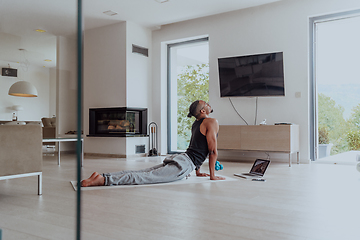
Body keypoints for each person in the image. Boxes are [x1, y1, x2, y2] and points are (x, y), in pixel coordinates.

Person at [81, 100, 225, 187]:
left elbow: (197, 146)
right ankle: (103, 180)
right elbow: (212, 151)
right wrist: (212, 176)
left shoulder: (197, 123)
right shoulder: (212, 121)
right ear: (203, 110)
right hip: (185, 163)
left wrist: (198, 171)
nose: (208, 103)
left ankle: (102, 176)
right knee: (146, 177)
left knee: (143, 172)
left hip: (182, 158)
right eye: (206, 103)